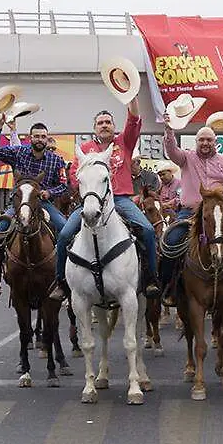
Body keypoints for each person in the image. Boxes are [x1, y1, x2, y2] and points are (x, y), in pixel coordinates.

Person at [50, 99, 160, 300]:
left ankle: (151, 279)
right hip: (91, 201)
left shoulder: (124, 142)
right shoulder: (84, 149)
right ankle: (61, 283)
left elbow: (134, 119)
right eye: (100, 123)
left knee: (148, 230)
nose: (104, 125)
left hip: (120, 200)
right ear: (94, 128)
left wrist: (132, 95)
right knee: (65, 234)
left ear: (114, 126)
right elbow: (75, 176)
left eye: (108, 122)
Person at [158, 123, 223, 305]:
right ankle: (169, 286)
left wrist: (217, 197)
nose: (205, 143)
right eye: (201, 139)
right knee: (170, 241)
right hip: (189, 212)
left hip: (219, 213)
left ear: (215, 143)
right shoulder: (186, 157)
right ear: (196, 142)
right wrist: (170, 130)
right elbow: (171, 151)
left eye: (209, 140)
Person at [0, 118, 70, 234]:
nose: (39, 139)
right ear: (30, 138)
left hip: (43, 203)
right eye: (36, 136)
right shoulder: (18, 152)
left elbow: (63, 185)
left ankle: (62, 253)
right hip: (18, 202)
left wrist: (49, 192)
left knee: (65, 229)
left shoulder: (57, 160)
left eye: (43, 137)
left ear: (46, 139)